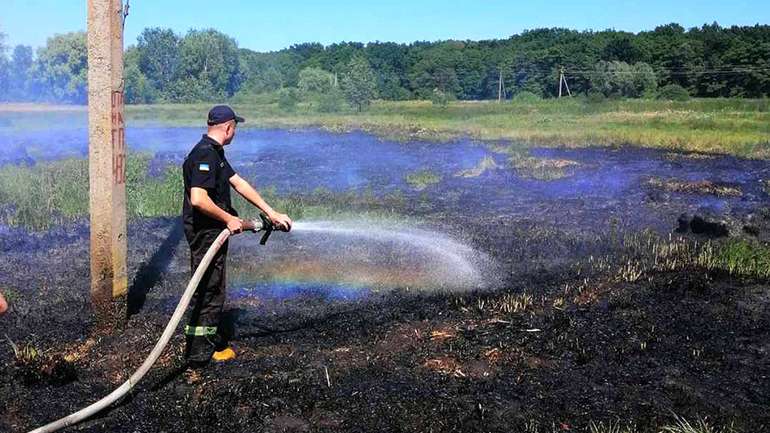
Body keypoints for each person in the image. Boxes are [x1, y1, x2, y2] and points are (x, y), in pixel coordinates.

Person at [182, 105, 292, 366]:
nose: (235, 133)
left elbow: (238, 182)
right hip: (205, 233)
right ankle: (199, 353)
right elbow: (198, 199)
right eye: (235, 128)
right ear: (228, 127)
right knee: (209, 288)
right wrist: (229, 218)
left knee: (212, 286)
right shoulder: (204, 155)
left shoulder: (215, 153)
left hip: (212, 230)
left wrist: (271, 212)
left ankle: (204, 342)